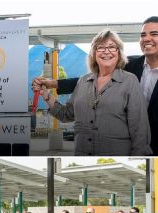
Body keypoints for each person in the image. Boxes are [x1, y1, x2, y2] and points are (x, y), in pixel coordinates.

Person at [34, 17, 158, 155]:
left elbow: (139, 128)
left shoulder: (129, 79)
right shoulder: (130, 66)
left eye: (154, 34)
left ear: (118, 52)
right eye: (143, 35)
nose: (107, 51)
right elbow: (73, 103)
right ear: (93, 53)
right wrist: (49, 87)